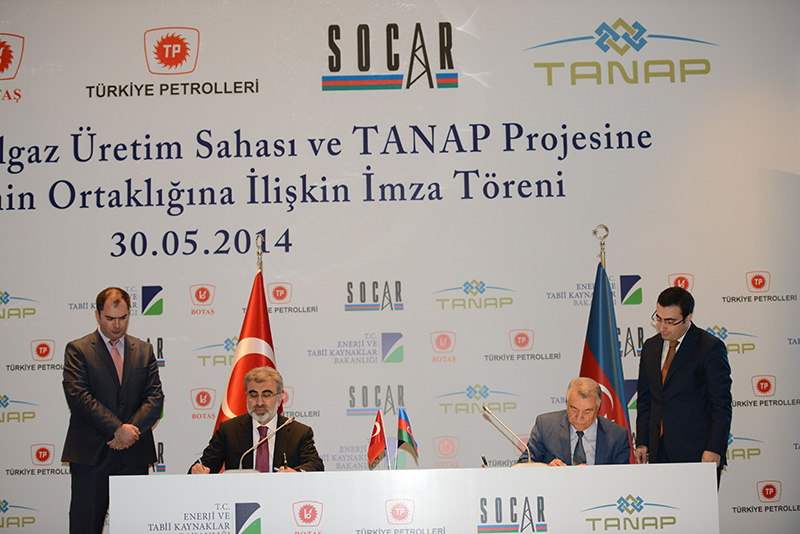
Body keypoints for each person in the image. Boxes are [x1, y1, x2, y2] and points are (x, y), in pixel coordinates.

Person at [61, 287, 165, 534]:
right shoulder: (78, 349)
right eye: (110, 318)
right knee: (85, 527)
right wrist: (117, 429)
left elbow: (155, 397)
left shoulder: (144, 350)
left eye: (123, 318)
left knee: (135, 527)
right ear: (97, 315)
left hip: (134, 456)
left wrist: (131, 431)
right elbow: (79, 398)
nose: (117, 325)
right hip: (92, 456)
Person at [635, 287, 732, 482]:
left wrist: (714, 448)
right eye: (659, 318)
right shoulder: (650, 346)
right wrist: (642, 442)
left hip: (697, 452)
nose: (662, 327)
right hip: (658, 450)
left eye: (670, 321)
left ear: (688, 318)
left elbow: (721, 404)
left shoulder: (709, 348)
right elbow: (645, 399)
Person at [190, 366, 323, 473]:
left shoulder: (299, 433)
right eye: (253, 395)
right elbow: (205, 465)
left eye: (266, 395)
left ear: (280, 398)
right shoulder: (229, 430)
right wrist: (198, 471)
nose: (259, 402)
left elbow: (315, 465)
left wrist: (296, 473)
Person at [516, 377, 631, 466]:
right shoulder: (545, 426)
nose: (579, 417)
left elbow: (622, 477)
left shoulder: (617, 436)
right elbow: (523, 464)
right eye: (574, 409)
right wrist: (547, 469)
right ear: (567, 403)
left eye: (587, 411)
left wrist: (593, 475)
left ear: (598, 408)